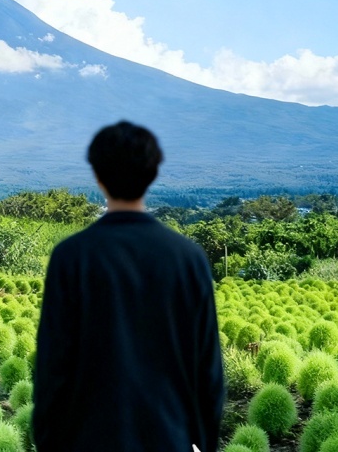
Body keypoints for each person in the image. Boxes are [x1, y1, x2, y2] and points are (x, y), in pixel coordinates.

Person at [33, 121, 224, 452]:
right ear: (152, 174)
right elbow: (208, 370)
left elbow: (52, 368)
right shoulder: (188, 257)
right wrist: (203, 442)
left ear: (97, 176)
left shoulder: (71, 257)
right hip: (168, 437)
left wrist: (51, 442)